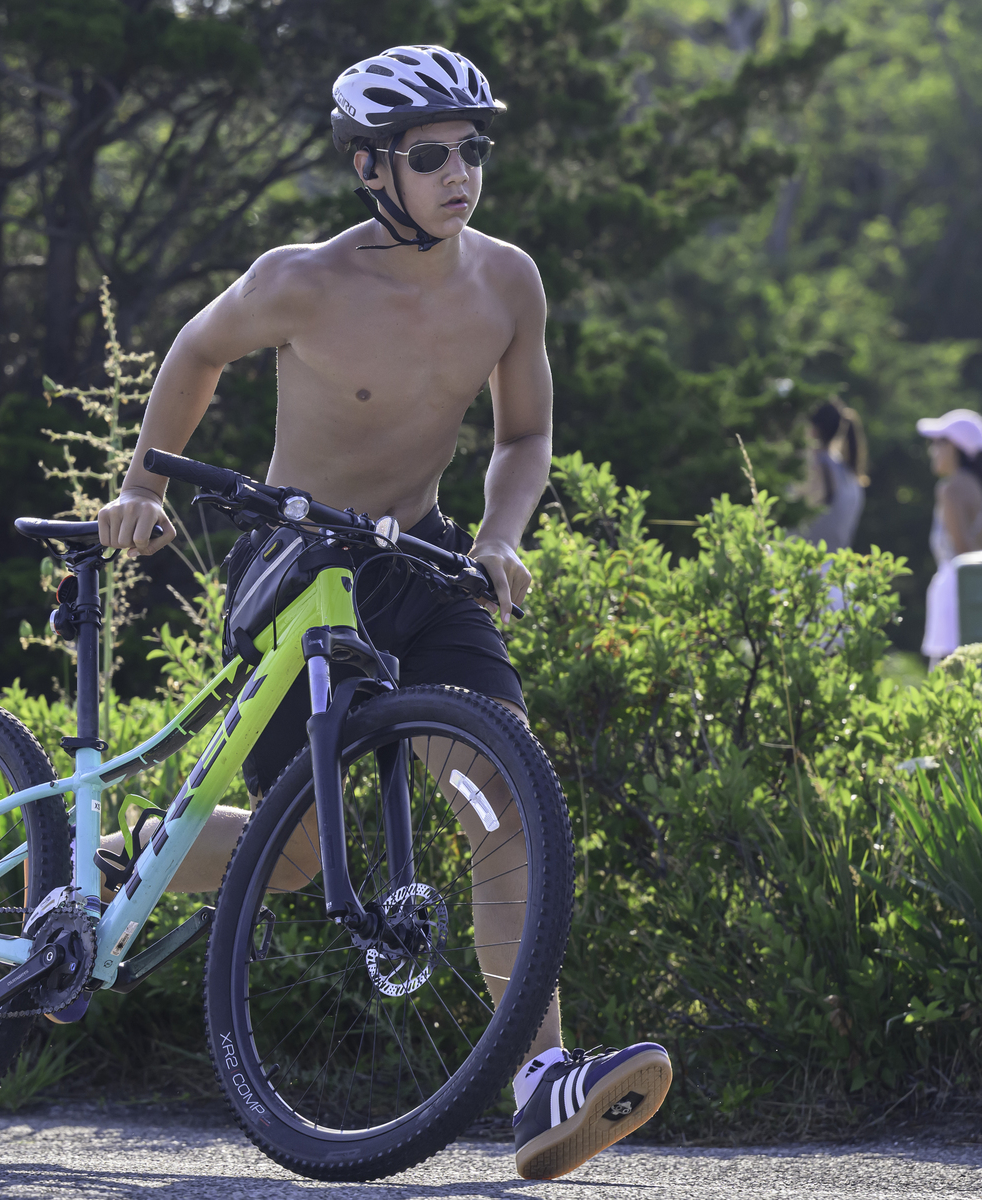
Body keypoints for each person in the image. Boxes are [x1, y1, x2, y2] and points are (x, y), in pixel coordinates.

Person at [95, 44, 671, 1180]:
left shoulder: (507, 281)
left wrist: (502, 537)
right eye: (430, 155)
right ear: (373, 170)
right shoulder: (301, 281)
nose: (460, 173)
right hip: (298, 566)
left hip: (426, 560)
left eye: (473, 149)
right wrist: (142, 488)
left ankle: (540, 1077)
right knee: (299, 857)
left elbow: (523, 435)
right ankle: (115, 866)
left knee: (496, 791)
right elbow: (198, 349)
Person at [916, 408, 982, 664]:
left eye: (938, 443)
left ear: (955, 447)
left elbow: (962, 550)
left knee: (948, 682)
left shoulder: (951, 488)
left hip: (958, 593)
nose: (932, 450)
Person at [793, 400, 868, 553]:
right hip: (834, 570)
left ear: (812, 429)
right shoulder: (849, 474)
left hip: (802, 570)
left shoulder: (813, 468)